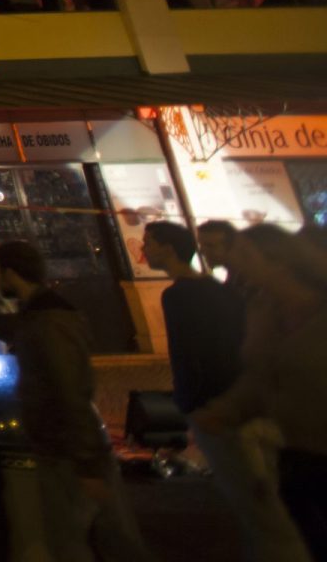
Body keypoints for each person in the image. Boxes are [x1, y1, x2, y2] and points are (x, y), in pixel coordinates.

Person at [142, 221, 305, 561]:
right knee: (266, 505)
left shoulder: (189, 295)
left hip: (227, 408)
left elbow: (203, 355)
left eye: (235, 252)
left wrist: (204, 402)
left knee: (262, 509)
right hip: (242, 407)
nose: (224, 257)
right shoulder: (225, 292)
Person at [0, 240, 153, 562]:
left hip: (66, 447)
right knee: (87, 536)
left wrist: (86, 461)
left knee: (77, 538)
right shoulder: (39, 313)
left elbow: (70, 390)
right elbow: (16, 332)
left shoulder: (49, 320)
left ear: (10, 273)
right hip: (63, 444)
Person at [190, 224, 327, 559]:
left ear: (279, 261)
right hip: (298, 453)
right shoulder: (263, 309)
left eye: (244, 255)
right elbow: (262, 375)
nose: (235, 263)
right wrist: (228, 409)